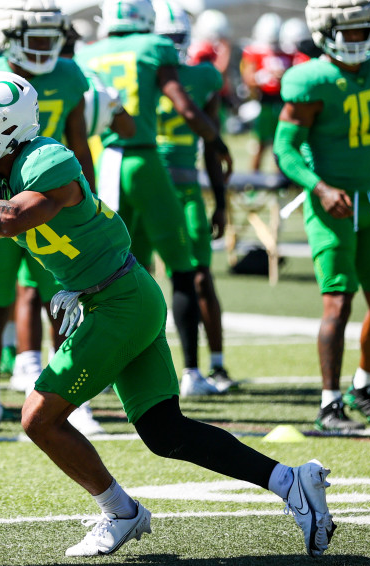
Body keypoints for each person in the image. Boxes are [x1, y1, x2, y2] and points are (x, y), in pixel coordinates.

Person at [0, 69, 336, 559]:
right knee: (165, 432)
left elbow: (10, 217)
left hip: (119, 300)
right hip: (116, 296)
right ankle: (291, 481)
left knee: (39, 419)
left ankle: (120, 511)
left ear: (7, 129)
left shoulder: (46, 159)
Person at [275, 0, 370, 431]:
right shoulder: (310, 80)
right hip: (331, 205)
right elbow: (285, 149)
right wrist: (320, 188)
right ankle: (329, 405)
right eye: (349, 32)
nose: (357, 39)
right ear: (325, 33)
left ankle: (363, 387)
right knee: (338, 301)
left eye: (363, 30)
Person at [76, 0, 233, 398]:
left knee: (110, 272)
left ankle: (103, 369)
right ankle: (192, 370)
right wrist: (217, 141)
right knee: (182, 268)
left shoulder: (88, 53)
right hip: (143, 161)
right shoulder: (153, 49)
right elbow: (184, 105)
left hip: (103, 162)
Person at [0, 0, 92, 432]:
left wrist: (88, 197)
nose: (45, 49)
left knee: (61, 305)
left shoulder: (69, 74)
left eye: (51, 38)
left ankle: (72, 399)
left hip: (43, 198)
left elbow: (79, 140)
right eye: (35, 38)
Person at [152, 0, 235, 392]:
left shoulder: (203, 78)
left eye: (175, 37)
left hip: (185, 190)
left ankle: (213, 366)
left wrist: (221, 201)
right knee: (127, 278)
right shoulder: (138, 72)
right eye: (164, 38)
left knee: (199, 277)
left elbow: (212, 146)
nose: (171, 45)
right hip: (144, 187)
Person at [240, 12, 290, 173]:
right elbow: (249, 79)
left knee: (282, 144)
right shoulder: (254, 52)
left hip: (283, 104)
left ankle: (280, 179)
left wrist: (283, 76)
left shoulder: (288, 52)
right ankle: (254, 179)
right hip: (265, 103)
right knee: (261, 143)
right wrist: (266, 76)